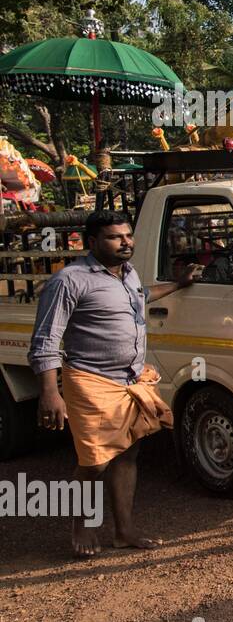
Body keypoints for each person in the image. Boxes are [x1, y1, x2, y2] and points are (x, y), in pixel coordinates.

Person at [29, 210, 204, 557]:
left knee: (127, 454)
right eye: (115, 237)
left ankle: (124, 531)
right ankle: (81, 527)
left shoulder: (127, 274)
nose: (125, 242)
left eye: (127, 235)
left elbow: (142, 296)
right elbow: (46, 340)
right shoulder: (69, 280)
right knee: (94, 462)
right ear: (92, 242)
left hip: (132, 380)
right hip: (91, 381)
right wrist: (50, 392)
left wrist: (178, 284)